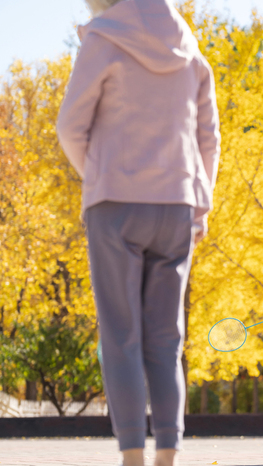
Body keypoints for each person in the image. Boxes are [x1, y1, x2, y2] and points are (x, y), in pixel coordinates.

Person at [56, 0, 220, 465]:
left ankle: (132, 457)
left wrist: (100, 174)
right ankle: (168, 453)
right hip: (177, 209)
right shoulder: (190, 50)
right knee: (167, 339)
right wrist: (200, 205)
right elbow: (209, 135)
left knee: (121, 335)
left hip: (116, 206)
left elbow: (70, 127)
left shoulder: (103, 39)